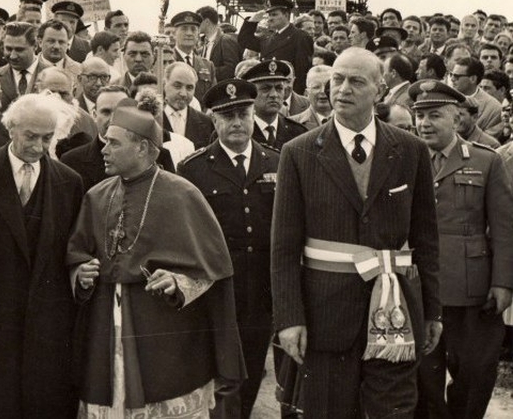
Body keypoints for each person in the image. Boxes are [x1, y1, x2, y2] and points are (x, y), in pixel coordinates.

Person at [272, 47, 442, 418]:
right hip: (325, 319)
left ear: (380, 91)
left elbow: (426, 239)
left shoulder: (410, 150)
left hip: (394, 315)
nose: (342, 89)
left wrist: (432, 311)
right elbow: (283, 249)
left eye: (356, 81)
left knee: (392, 412)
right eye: (337, 79)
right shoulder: (298, 153)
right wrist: (289, 318)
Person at [67, 101, 245, 418]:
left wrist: (178, 282)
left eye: (114, 143)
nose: (104, 150)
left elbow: (212, 269)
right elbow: (77, 252)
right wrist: (80, 271)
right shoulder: (97, 195)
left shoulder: (182, 194)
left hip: (165, 333)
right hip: (106, 327)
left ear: (143, 148)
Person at [0, 93, 84, 417]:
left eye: (47, 138)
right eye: (30, 137)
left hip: (45, 340)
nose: (38, 146)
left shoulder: (69, 183)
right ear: (10, 129)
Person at [409, 80, 513, 419]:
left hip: (473, 290)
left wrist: (503, 283)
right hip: (419, 285)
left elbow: (503, 227)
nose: (424, 123)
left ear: (457, 120)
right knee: (424, 375)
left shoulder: (486, 161)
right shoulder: (405, 160)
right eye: (419, 115)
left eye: (434, 115)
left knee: (475, 372)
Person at [178, 78, 278, 418]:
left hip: (262, 287)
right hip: (218, 286)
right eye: (227, 116)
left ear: (253, 115)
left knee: (252, 366)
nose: (236, 122)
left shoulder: (277, 163)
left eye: (243, 114)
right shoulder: (193, 169)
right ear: (213, 120)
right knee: (222, 373)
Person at [61, 85, 131, 191]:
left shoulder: (154, 157)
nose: (113, 119)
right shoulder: (71, 161)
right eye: (106, 112)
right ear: (94, 114)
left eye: (120, 112)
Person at [238, 0, 313, 94]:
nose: (270, 18)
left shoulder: (300, 37)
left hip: (288, 92)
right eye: (269, 15)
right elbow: (244, 41)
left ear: (286, 15)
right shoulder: (269, 38)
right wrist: (252, 21)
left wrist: (295, 97)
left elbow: (302, 72)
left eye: (274, 14)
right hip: (271, 90)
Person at [245, 60, 307, 149]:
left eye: (279, 88)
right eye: (266, 88)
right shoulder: (241, 132)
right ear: (251, 93)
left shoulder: (298, 132)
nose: (274, 94)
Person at [0, 21, 50, 111]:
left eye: (19, 50)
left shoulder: (52, 75)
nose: (13, 56)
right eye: (8, 49)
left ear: (35, 46)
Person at [162, 61, 215, 150]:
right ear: (164, 85)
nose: (183, 93)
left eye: (189, 88)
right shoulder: (153, 118)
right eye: (177, 86)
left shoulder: (206, 123)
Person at [290, 64, 333, 130]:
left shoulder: (350, 121)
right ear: (307, 93)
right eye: (316, 87)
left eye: (328, 86)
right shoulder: (292, 124)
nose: (322, 91)